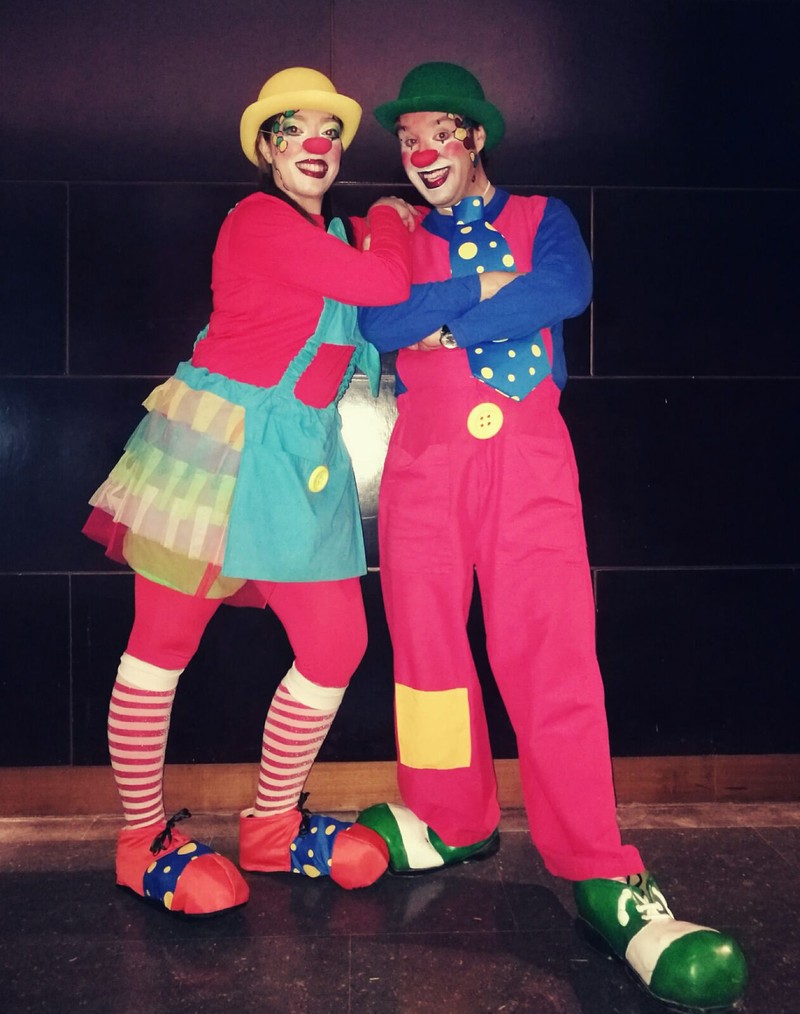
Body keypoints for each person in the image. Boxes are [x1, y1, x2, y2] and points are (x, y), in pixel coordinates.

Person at [355, 62, 747, 1011]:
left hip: (527, 457)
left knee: (551, 654)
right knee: (427, 652)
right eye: (407, 140)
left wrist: (451, 321)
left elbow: (565, 290)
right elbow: (382, 318)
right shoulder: (391, 230)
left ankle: (601, 867)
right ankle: (450, 814)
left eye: (438, 133)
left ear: (475, 137)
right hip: (422, 461)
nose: (420, 153)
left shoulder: (544, 217)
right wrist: (482, 294)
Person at [82, 67, 413, 917]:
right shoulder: (257, 221)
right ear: (267, 148)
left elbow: (381, 310)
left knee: (336, 643)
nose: (316, 144)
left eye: (330, 132)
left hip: (301, 466)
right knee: (161, 643)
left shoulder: (333, 235)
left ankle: (272, 825)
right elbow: (383, 285)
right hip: (218, 454)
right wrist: (389, 220)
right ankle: (140, 839)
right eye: (294, 130)